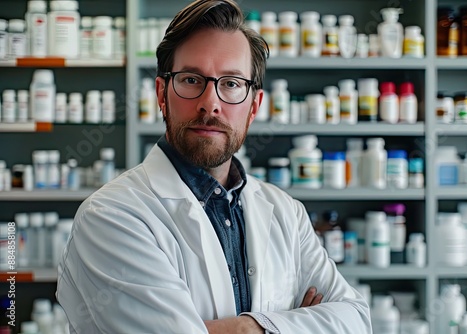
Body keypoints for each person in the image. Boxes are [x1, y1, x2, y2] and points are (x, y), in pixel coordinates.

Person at [56, 0, 371, 333]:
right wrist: (294, 323)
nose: (211, 103)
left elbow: (356, 319)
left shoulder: (286, 213)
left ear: (254, 106)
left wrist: (245, 328)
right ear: (162, 94)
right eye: (192, 80)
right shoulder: (112, 216)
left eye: (232, 83)